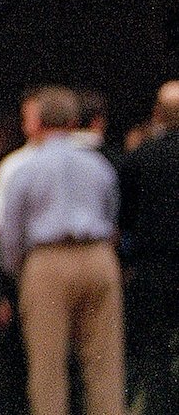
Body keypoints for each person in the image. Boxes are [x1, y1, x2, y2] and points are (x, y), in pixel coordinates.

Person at [0, 86, 122, 415]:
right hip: (97, 254)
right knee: (105, 364)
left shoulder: (24, 168)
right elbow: (112, 214)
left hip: (47, 260)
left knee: (47, 367)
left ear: (36, 121)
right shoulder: (97, 164)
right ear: (72, 121)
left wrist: (18, 271)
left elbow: (11, 232)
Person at [119, 81, 179, 415]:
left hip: (153, 267)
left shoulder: (139, 158)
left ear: (157, 114)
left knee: (154, 349)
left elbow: (123, 218)